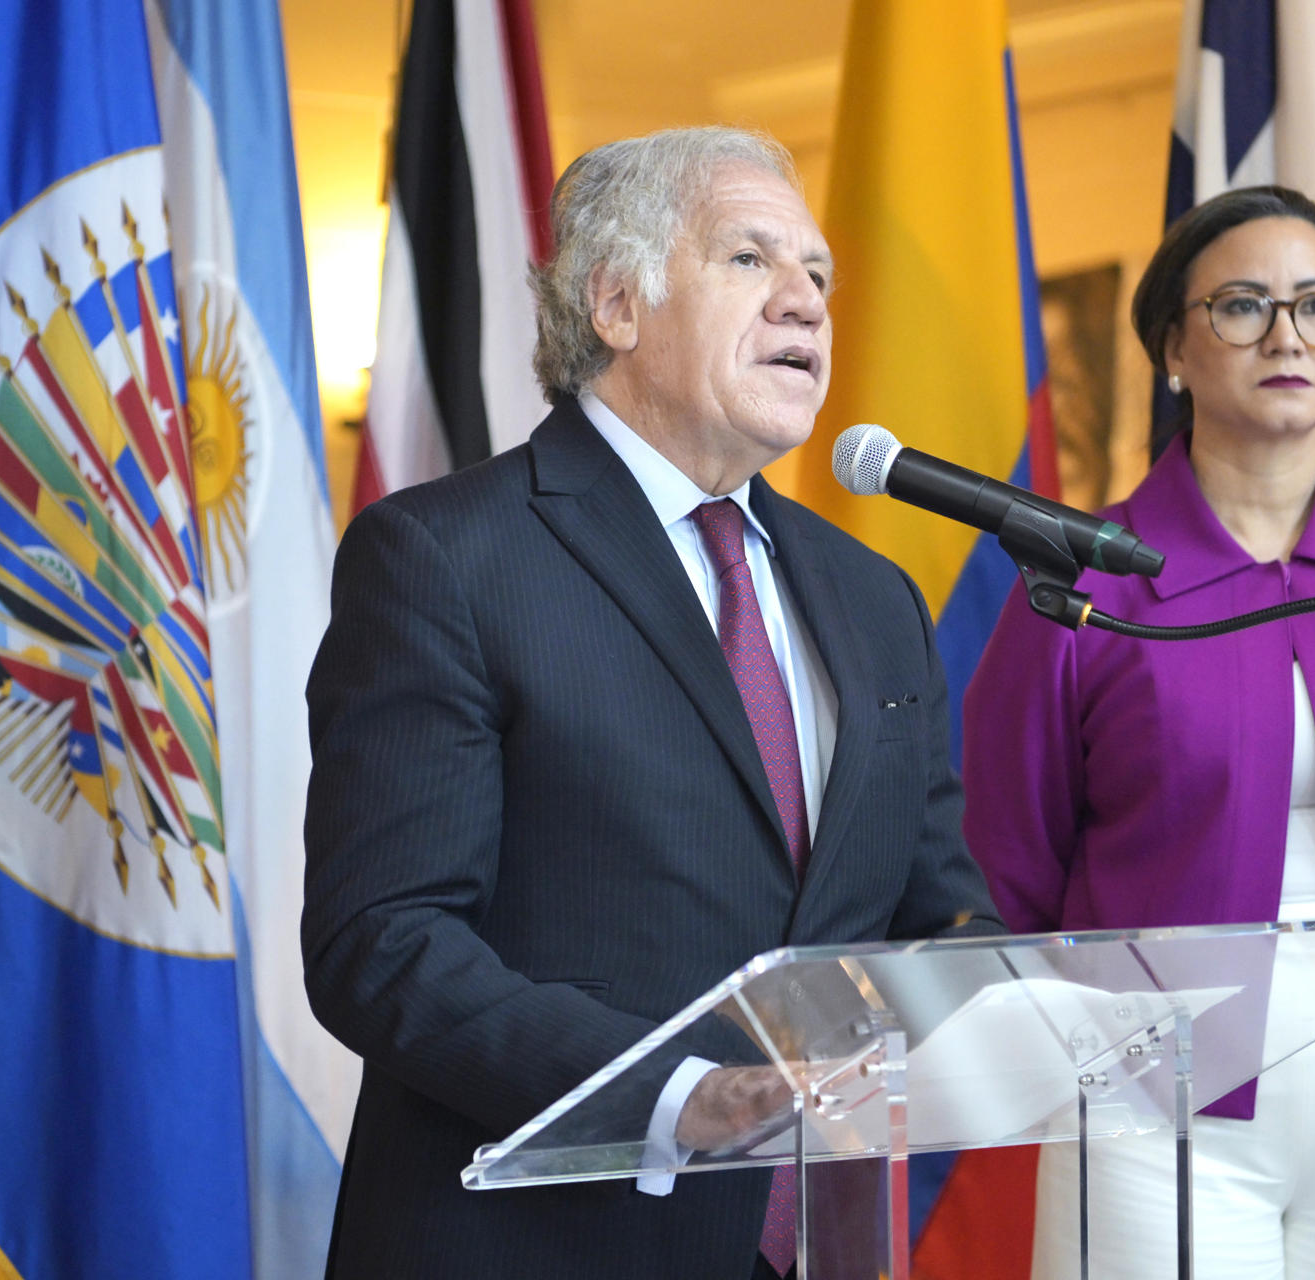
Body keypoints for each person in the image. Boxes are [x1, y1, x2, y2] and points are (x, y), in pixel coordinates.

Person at [303, 125, 1004, 1280]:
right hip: (532, 1244)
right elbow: (384, 940)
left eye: (818, 275)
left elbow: (930, 907)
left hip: (810, 1245)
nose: (808, 305)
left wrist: (1009, 999)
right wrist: (680, 1091)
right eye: (751, 261)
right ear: (617, 303)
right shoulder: (445, 556)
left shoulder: (873, 596)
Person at [960, 185, 1315, 1278]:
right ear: (1173, 349)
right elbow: (1015, 842)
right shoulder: (1088, 576)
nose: (1286, 333)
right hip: (1150, 1088)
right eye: (1241, 305)